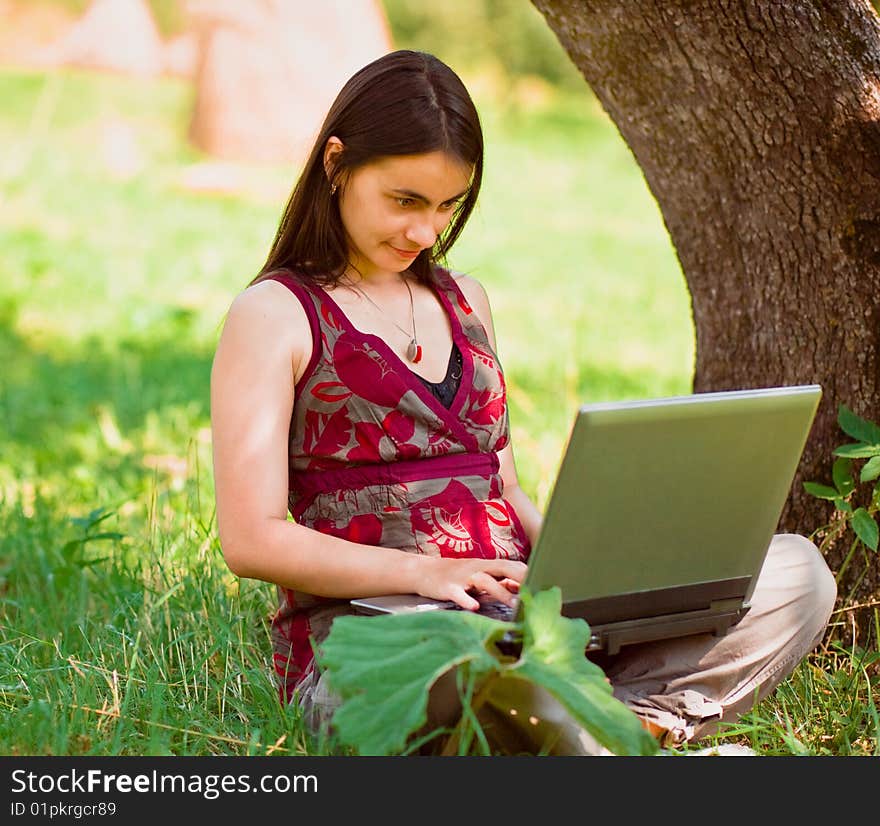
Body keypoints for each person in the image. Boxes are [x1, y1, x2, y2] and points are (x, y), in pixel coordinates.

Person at [209, 49, 837, 754]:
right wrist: (428, 574)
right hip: (389, 638)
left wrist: (581, 569)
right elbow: (252, 538)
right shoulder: (276, 314)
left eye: (448, 206)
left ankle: (610, 726)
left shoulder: (465, 300)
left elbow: (501, 484)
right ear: (335, 165)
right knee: (474, 657)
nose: (425, 232)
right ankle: (593, 728)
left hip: (524, 611)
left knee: (797, 574)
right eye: (405, 201)